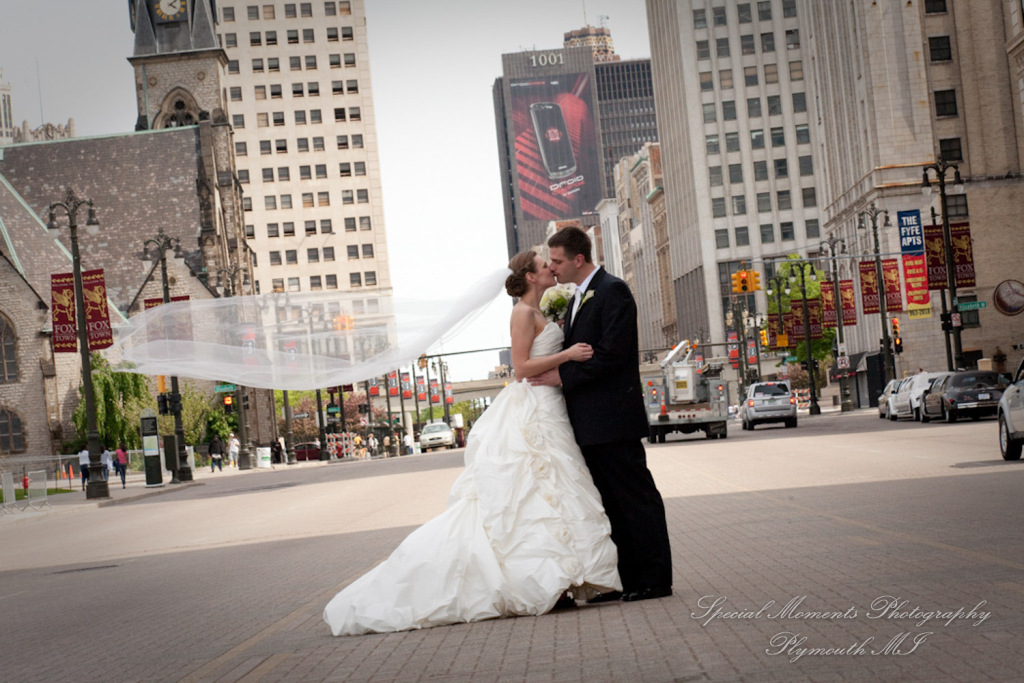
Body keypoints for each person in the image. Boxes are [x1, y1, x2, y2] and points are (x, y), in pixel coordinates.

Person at [323, 250, 620, 636]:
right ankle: (547, 579)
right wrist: (567, 354)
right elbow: (521, 368)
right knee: (530, 491)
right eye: (544, 265)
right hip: (533, 406)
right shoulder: (521, 314)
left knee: (554, 488)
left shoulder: (542, 311)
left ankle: (566, 578)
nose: (551, 268)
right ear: (530, 277)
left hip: (550, 407)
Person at [531, 226, 673, 603]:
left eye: (558, 261)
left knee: (635, 500)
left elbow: (612, 354)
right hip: (591, 424)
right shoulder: (577, 296)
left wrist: (561, 375)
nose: (554, 268)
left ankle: (655, 579)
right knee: (610, 504)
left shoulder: (613, 290)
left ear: (579, 259)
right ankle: (627, 579)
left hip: (614, 420)